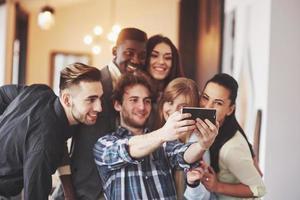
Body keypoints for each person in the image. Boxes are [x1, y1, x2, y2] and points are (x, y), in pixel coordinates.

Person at [52, 27, 148, 200]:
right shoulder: (93, 85)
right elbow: (59, 139)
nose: (136, 60)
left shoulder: (137, 90)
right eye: (129, 52)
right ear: (114, 51)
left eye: (142, 55)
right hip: (80, 190)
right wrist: (69, 192)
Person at [93, 71, 218, 200]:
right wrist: (163, 133)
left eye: (146, 101)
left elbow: (184, 154)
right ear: (118, 104)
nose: (142, 107)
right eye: (134, 100)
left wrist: (203, 144)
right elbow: (127, 149)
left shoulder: (164, 144)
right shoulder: (104, 144)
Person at [0, 63, 103, 200]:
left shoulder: (40, 92)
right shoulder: (46, 145)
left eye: (100, 98)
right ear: (67, 99)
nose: (99, 108)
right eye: (91, 99)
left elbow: (3, 94)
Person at [185, 73, 266, 200]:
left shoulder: (231, 148)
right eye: (205, 97)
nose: (208, 106)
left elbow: (259, 188)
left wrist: (218, 186)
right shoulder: (214, 130)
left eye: (218, 103)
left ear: (230, 109)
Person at [156, 77, 211, 200]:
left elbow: (203, 196)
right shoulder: (157, 135)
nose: (173, 111)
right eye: (170, 102)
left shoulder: (197, 142)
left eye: (182, 108)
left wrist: (193, 184)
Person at [142, 34, 184, 101]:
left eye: (168, 58)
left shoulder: (182, 94)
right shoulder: (132, 90)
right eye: (154, 55)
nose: (161, 62)